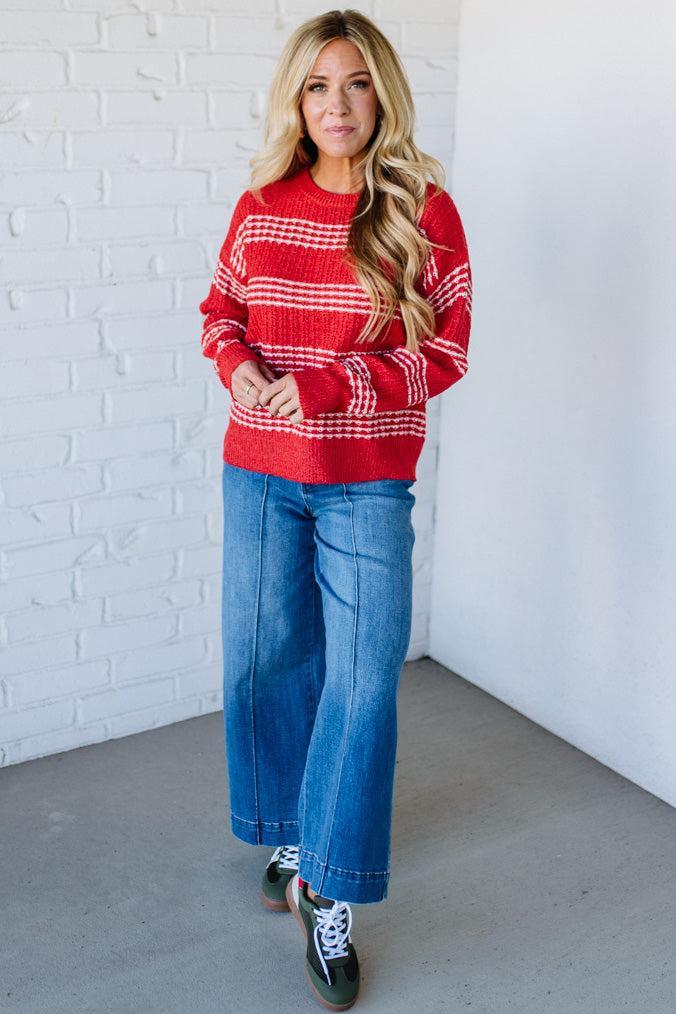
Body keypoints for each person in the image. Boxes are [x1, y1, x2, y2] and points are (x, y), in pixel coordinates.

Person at [198, 9, 473, 1010]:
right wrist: (236, 369)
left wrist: (320, 388)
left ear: (382, 93)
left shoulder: (422, 208)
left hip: (363, 478)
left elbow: (443, 352)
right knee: (266, 661)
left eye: (356, 83)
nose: (338, 104)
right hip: (261, 473)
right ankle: (289, 840)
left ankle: (331, 890)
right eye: (319, 85)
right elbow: (219, 310)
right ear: (296, 99)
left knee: (361, 685)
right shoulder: (261, 201)